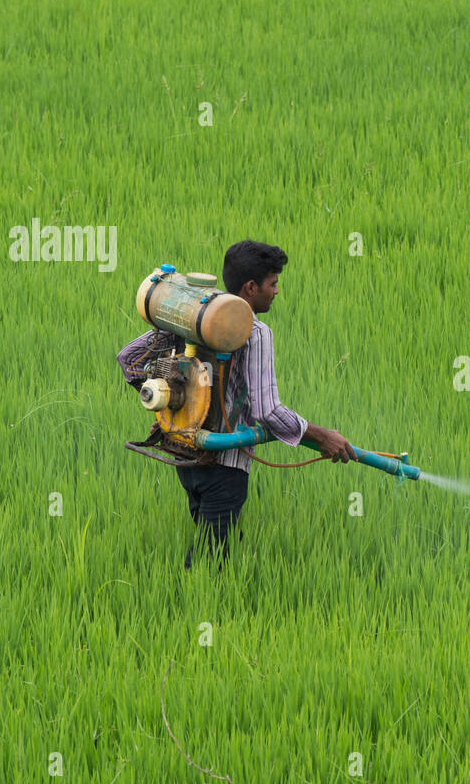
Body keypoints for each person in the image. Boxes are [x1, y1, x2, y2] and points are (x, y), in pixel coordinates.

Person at [116, 240, 357, 568]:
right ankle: (193, 605)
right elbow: (267, 412)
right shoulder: (255, 333)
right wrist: (322, 435)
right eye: (273, 284)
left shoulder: (193, 315)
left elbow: (129, 359)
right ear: (251, 287)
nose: (276, 291)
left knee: (219, 538)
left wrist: (166, 405)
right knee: (205, 561)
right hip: (225, 465)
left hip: (186, 454)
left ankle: (232, 588)